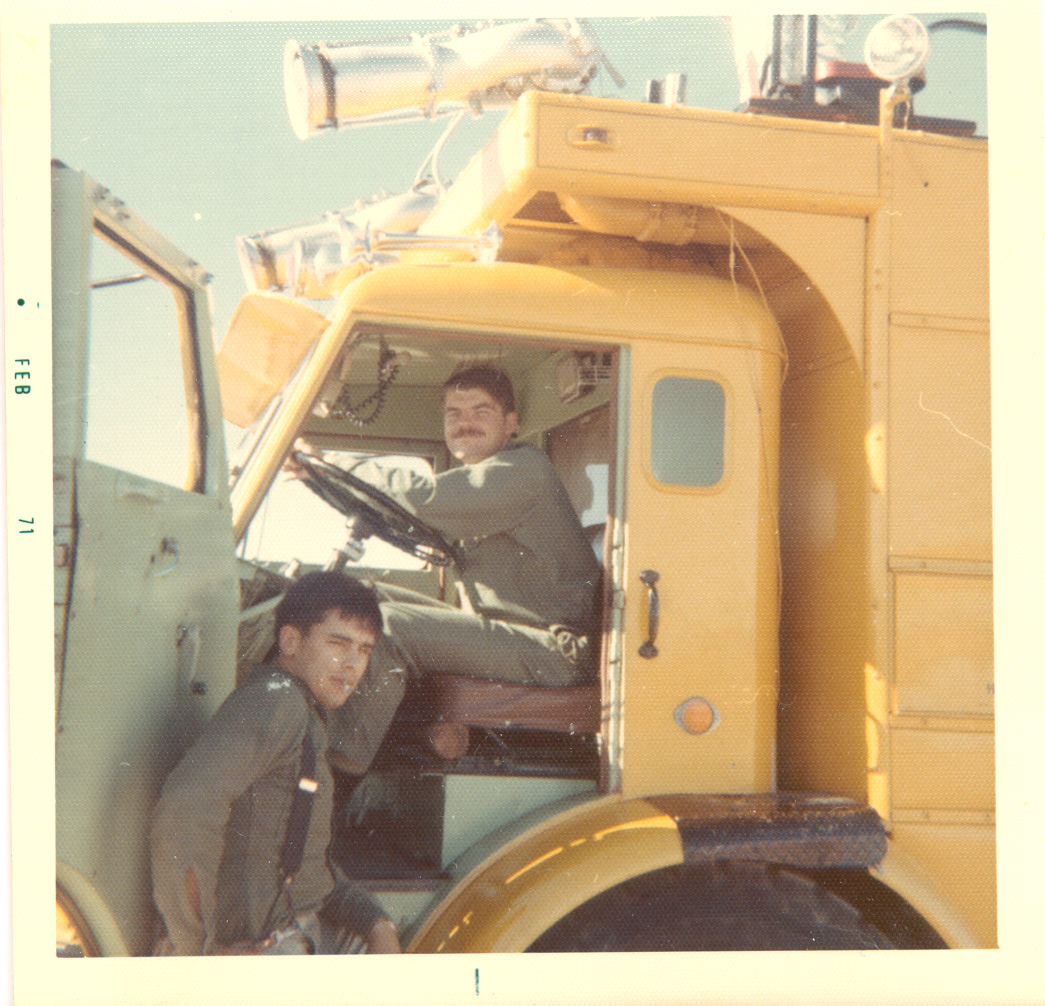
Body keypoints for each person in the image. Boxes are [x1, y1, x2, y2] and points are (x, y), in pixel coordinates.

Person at [288, 364, 603, 774]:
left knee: (389, 625)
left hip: (554, 649)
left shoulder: (525, 470)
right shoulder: (476, 480)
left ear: (511, 424)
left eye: (480, 411)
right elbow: (409, 511)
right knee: (361, 598)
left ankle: (336, 771)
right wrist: (320, 477)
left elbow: (424, 498)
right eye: (454, 413)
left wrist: (330, 462)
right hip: (513, 635)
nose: (464, 423)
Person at [150, 571, 401, 955]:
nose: (353, 663)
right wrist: (197, 948)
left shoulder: (301, 709)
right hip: (263, 947)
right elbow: (185, 806)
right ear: (290, 641)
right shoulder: (277, 702)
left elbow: (306, 864)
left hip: (297, 928)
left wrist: (376, 923)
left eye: (364, 649)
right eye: (338, 643)